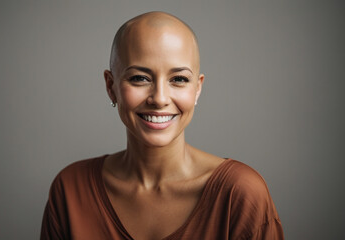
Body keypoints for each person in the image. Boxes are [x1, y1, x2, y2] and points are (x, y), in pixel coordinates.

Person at [41, 11, 284, 240]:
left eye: (179, 79)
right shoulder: (71, 190)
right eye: (139, 78)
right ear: (110, 86)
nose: (159, 98)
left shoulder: (240, 194)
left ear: (197, 88)